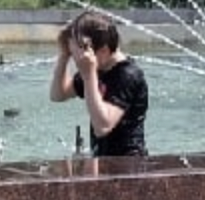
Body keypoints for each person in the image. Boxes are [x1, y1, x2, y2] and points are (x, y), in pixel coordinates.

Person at [48, 11, 147, 157]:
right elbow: (58, 94)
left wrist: (88, 75)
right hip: (103, 160)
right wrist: (64, 55)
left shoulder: (127, 75)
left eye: (81, 49)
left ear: (103, 51)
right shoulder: (99, 68)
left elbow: (103, 126)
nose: (79, 57)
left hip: (128, 165)